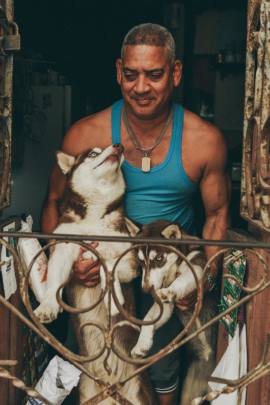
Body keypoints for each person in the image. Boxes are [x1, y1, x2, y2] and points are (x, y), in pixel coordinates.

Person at [41, 23, 230, 405]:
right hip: (101, 270)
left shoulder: (203, 140)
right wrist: (68, 261)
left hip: (164, 269)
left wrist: (200, 284)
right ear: (118, 72)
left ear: (175, 73)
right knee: (87, 369)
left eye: (154, 75)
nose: (141, 87)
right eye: (131, 75)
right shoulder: (86, 135)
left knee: (161, 373)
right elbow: (52, 206)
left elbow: (217, 216)